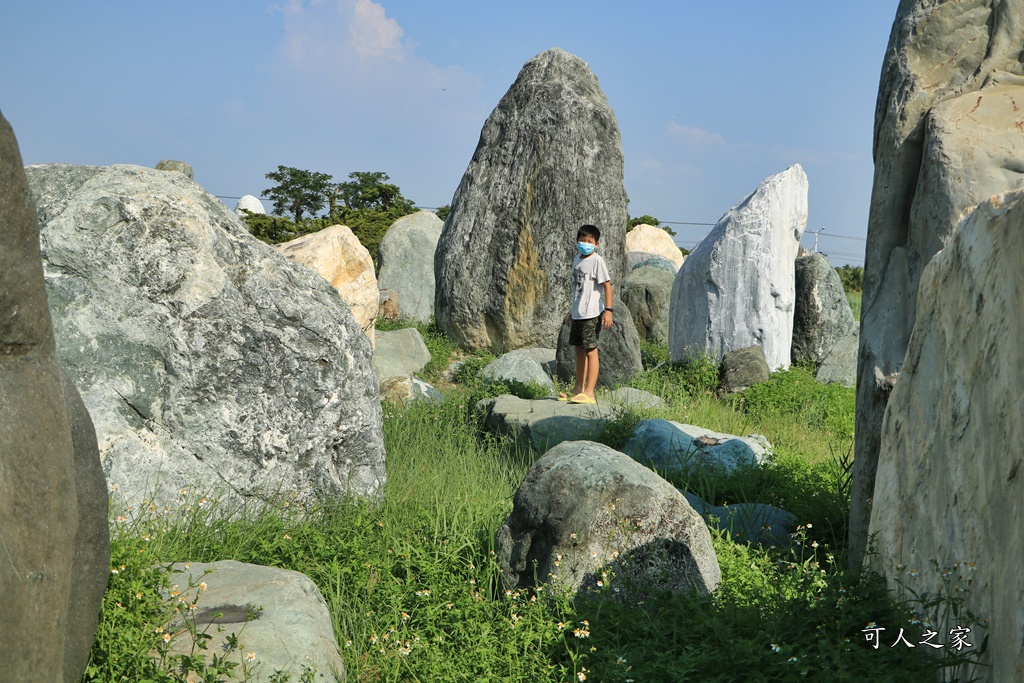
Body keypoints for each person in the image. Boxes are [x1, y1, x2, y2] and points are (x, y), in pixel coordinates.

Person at [559, 224, 613, 404]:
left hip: (591, 313)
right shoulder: (576, 259)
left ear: (596, 244)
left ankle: (590, 393)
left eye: (590, 241)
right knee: (579, 350)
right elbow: (578, 289)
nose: (585, 244)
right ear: (577, 241)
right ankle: (578, 388)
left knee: (591, 351)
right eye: (582, 240)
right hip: (578, 313)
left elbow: (607, 284)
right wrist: (572, 311)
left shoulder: (597, 260)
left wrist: (608, 311)